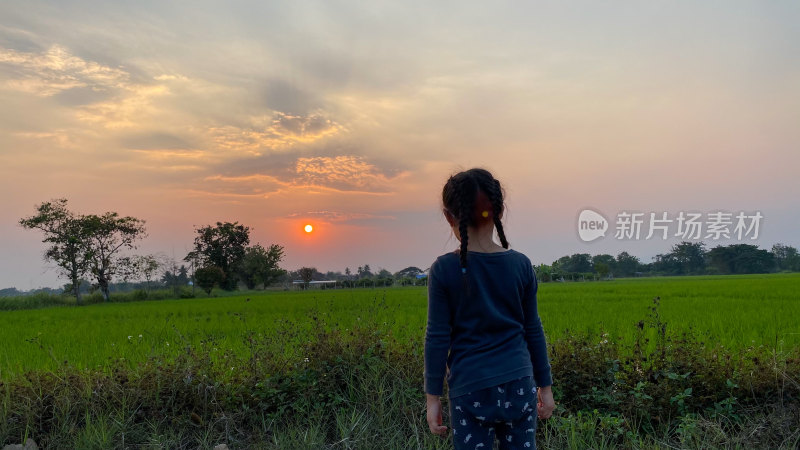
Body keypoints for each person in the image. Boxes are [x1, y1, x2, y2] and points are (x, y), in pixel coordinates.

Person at [424, 168, 555, 450]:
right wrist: (546, 387)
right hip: (520, 383)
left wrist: (432, 398)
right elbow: (533, 329)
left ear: (449, 216)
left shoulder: (444, 269)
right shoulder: (521, 264)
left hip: (470, 389)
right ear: (498, 211)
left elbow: (437, 337)